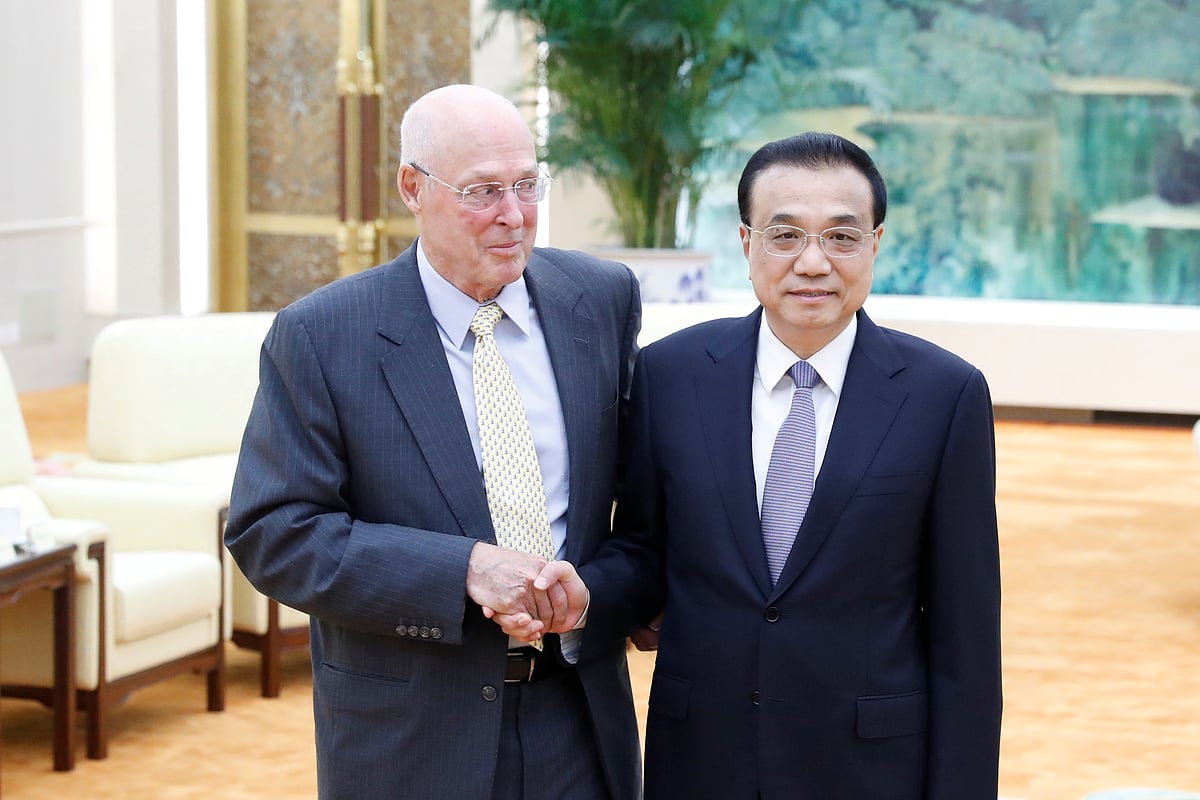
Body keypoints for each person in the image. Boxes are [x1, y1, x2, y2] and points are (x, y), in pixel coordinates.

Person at [224, 83, 642, 800]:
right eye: (483, 191)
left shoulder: (600, 299)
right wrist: (465, 571)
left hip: (578, 718)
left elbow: (642, 511)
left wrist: (593, 597)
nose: (513, 215)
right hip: (409, 735)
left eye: (526, 184)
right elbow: (275, 532)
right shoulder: (323, 336)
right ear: (411, 188)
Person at [569, 132, 1003, 799]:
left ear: (875, 245)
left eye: (841, 237)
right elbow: (644, 548)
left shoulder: (944, 395)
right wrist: (581, 600)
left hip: (870, 770)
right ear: (746, 244)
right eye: (785, 236)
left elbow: (965, 641)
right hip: (702, 761)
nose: (812, 262)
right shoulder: (669, 375)